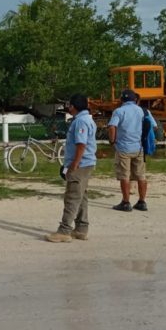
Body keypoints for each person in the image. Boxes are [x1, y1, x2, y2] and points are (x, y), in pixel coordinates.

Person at [46, 94, 97, 243]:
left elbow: (81, 145)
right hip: (86, 163)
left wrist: (74, 164)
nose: (67, 107)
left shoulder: (81, 122)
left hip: (80, 165)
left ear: (73, 106)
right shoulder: (87, 119)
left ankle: (64, 231)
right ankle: (81, 228)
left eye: (69, 104)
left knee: (72, 197)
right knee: (82, 196)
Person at [108, 89, 149, 212]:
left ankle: (126, 202)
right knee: (141, 175)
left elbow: (112, 126)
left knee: (124, 175)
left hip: (123, 147)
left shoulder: (119, 111)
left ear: (121, 99)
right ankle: (142, 201)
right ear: (134, 99)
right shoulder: (140, 110)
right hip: (138, 147)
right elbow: (147, 124)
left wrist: (113, 141)